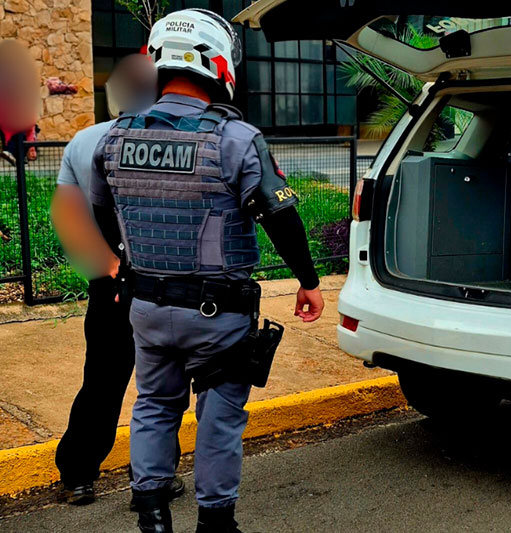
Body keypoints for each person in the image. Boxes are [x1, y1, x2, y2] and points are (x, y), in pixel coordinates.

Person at [89, 9, 324, 533]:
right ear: (218, 63)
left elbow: (102, 211)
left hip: (146, 308)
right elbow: (279, 214)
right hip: (217, 315)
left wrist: (120, 266)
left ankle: (152, 517)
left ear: (158, 61)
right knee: (218, 421)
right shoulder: (236, 139)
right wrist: (309, 282)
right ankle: (215, 523)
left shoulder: (116, 137)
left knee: (152, 405)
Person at [51, 54, 187, 509]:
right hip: (162, 279)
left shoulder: (82, 142)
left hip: (108, 283)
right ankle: (156, 475)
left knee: (103, 378)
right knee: (163, 383)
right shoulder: (171, 140)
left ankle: (78, 475)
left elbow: (69, 217)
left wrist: (105, 265)